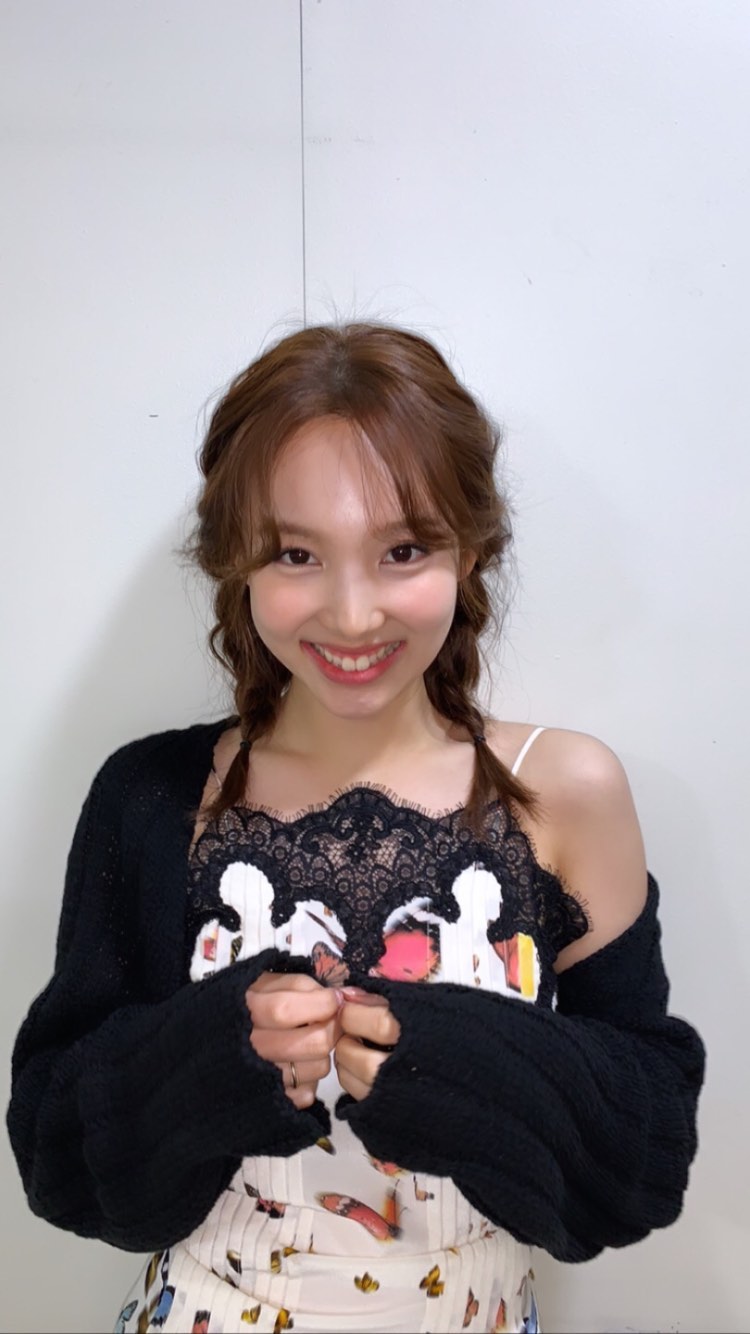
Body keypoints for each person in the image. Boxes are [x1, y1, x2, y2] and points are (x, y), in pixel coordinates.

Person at [7, 322, 705, 1334]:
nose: (351, 613)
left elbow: (642, 1166)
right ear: (239, 563)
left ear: (470, 549)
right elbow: (57, 1159)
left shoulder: (565, 790)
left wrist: (457, 1068)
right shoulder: (150, 796)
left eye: (403, 550)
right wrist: (213, 1058)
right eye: (296, 553)